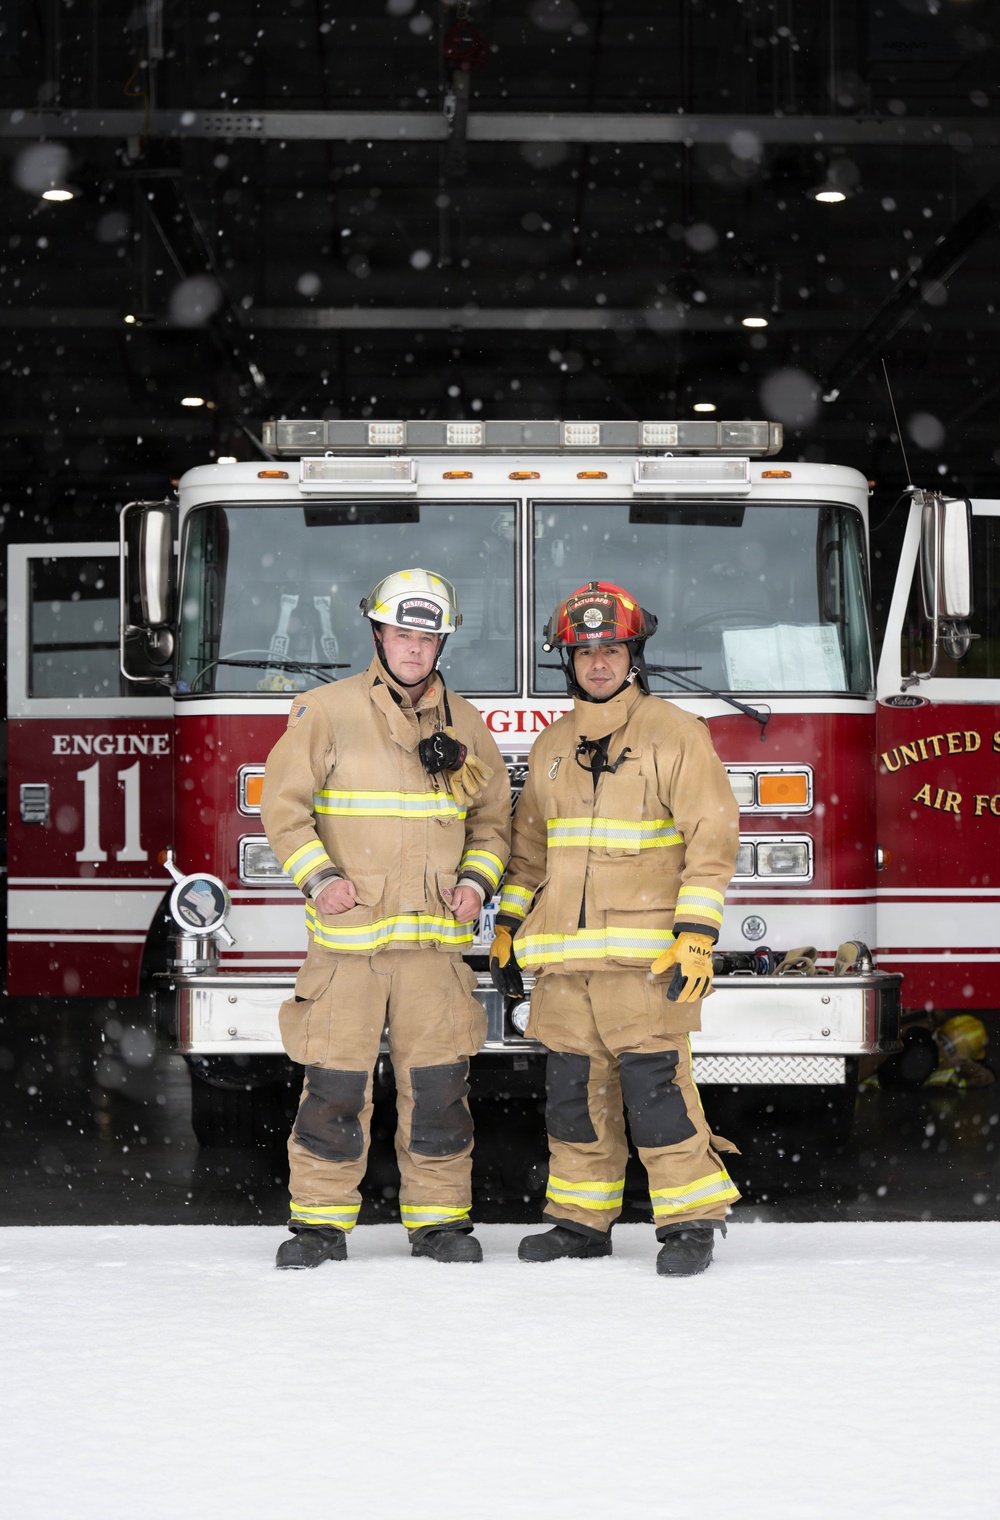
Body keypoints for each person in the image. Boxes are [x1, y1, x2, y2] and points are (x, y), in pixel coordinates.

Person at [262, 568, 511, 1268]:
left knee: (439, 1095)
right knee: (333, 1091)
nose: (413, 647)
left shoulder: (468, 725)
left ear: (441, 644)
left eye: (426, 636)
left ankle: (439, 1224)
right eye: (402, 633)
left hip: (434, 953)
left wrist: (475, 883)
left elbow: (494, 824)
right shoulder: (327, 712)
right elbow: (282, 811)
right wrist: (320, 878)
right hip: (349, 952)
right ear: (378, 634)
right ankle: (317, 1226)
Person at [490, 580, 740, 1276]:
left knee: (659, 1095)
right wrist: (507, 928)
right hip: (567, 971)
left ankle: (689, 1223)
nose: (598, 663)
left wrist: (696, 935)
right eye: (584, 651)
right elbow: (530, 852)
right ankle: (579, 1221)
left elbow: (712, 839)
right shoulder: (551, 747)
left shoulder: (675, 735)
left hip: (649, 964)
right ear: (566, 661)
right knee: (574, 1101)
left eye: (612, 649)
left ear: (635, 654)